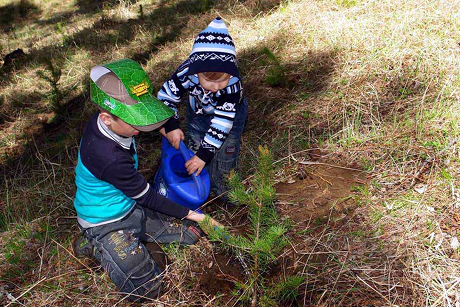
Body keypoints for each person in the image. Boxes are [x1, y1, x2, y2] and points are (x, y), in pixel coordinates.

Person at [72, 59, 221, 302]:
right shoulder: (107, 156)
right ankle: (95, 244)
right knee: (148, 289)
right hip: (106, 221)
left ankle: (137, 239)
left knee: (192, 235)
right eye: (134, 122)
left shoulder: (112, 122)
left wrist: (170, 127)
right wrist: (197, 214)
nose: (140, 128)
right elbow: (148, 196)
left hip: (130, 207)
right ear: (107, 118)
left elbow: (149, 114)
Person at [158, 17, 247, 198]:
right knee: (195, 145)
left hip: (229, 117)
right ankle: (198, 186)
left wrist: (203, 155)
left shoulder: (231, 87)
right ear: (196, 71)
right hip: (199, 112)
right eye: (209, 81)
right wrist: (171, 126)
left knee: (224, 155)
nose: (216, 87)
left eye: (222, 80)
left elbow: (222, 124)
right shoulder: (186, 73)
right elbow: (166, 96)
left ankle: (223, 190)